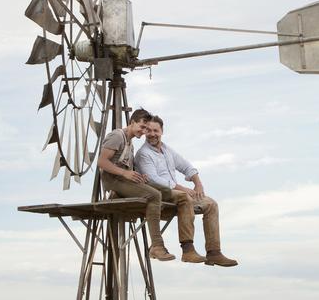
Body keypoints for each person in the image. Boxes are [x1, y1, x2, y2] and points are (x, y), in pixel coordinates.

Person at [135, 115, 238, 267]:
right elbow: (153, 179)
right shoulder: (144, 153)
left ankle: (214, 252)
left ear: (162, 131)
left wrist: (198, 184)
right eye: (148, 130)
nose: (152, 134)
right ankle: (188, 250)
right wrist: (183, 188)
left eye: (155, 130)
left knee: (211, 204)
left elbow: (185, 165)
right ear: (144, 132)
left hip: (174, 192)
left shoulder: (166, 149)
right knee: (185, 197)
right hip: (158, 193)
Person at [97, 108, 176, 261]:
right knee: (154, 195)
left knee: (165, 191)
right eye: (142, 127)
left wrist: (138, 175)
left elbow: (127, 167)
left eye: (146, 128)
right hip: (113, 180)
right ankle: (157, 246)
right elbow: (102, 162)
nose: (144, 131)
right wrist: (125, 174)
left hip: (123, 180)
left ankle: (121, 195)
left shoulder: (130, 142)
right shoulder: (117, 136)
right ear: (132, 122)